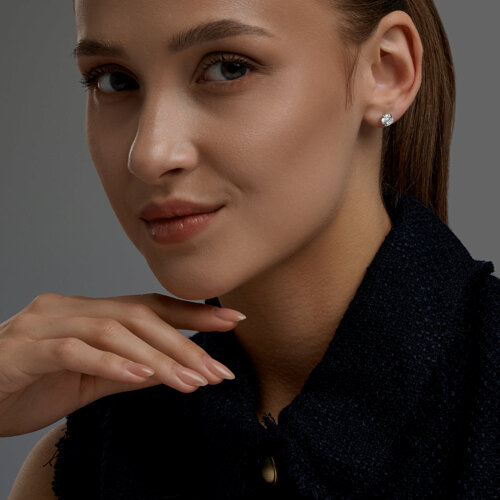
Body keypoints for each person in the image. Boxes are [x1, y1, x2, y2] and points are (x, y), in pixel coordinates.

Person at [4, 0, 499, 498]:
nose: (149, 154)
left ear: (386, 71)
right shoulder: (87, 460)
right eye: (114, 80)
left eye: (228, 68)